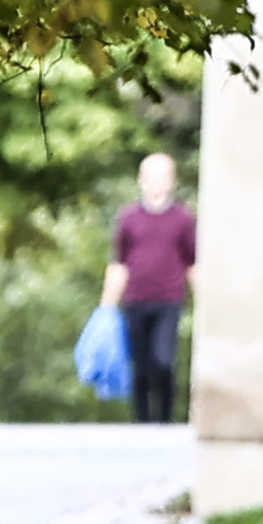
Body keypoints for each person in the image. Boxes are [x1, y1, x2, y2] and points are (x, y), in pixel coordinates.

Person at [101, 150, 197, 423]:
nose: (156, 183)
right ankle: (142, 424)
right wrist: (106, 305)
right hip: (135, 300)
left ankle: (164, 419)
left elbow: (193, 262)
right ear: (141, 180)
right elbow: (120, 263)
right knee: (141, 365)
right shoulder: (128, 218)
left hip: (169, 299)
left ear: (172, 181)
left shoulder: (183, 219)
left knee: (163, 362)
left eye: (162, 177)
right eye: (150, 177)